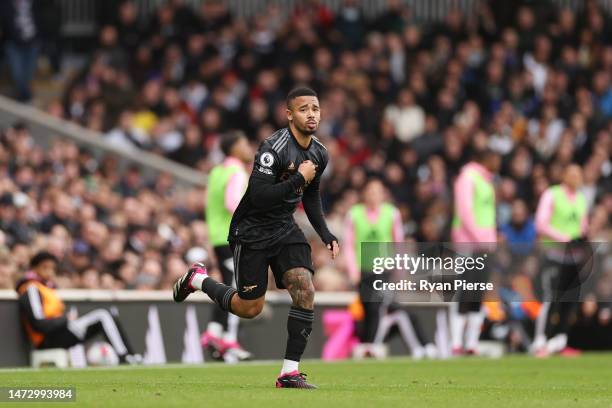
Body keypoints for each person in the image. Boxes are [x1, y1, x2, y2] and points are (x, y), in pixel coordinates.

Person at [173, 87, 339, 389]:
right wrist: (299, 178)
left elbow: (311, 196)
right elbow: (260, 197)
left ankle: (289, 372)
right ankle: (197, 280)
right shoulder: (272, 148)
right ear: (289, 114)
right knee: (250, 308)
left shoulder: (319, 152)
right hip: (251, 230)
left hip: (285, 227)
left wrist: (325, 233)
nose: (311, 114)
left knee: (304, 288)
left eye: (315, 108)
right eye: (303, 109)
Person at [344, 179, 426, 358]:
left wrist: (400, 270)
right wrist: (353, 270)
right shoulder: (354, 214)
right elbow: (349, 244)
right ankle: (368, 345)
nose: (373, 195)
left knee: (377, 306)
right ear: (364, 194)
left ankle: (371, 345)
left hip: (384, 269)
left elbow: (398, 242)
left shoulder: (392, 213)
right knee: (368, 308)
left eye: (377, 191)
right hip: (363, 270)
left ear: (383, 194)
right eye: (370, 191)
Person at [15, 251, 141, 364]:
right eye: (45, 267)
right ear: (34, 268)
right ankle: (125, 357)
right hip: (48, 339)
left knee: (104, 315)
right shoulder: (31, 288)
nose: (49, 272)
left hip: (57, 333)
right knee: (102, 315)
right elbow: (38, 323)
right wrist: (65, 319)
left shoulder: (46, 287)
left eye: (52, 268)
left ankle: (129, 355)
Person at [202, 131, 252, 362]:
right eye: (244, 143)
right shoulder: (236, 171)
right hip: (233, 237)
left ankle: (214, 332)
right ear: (234, 148)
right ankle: (229, 340)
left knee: (228, 284)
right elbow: (232, 203)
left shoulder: (216, 172)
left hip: (217, 237)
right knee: (237, 289)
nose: (248, 146)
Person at [532, 164, 590, 357]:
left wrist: (582, 238)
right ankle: (540, 341)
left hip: (574, 257)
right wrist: (563, 238)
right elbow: (541, 223)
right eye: (572, 173)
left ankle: (560, 342)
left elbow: (582, 225)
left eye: (578, 174)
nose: (576, 177)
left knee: (569, 302)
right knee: (551, 299)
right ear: (564, 175)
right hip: (554, 254)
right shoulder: (552, 194)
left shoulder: (581, 199)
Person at [450, 149, 500, 355]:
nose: (498, 161)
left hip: (484, 245)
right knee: (464, 291)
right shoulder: (467, 178)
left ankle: (471, 343)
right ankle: (455, 343)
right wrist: (482, 238)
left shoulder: (487, 181)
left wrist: (491, 239)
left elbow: (488, 215)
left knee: (477, 292)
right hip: (467, 244)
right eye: (495, 157)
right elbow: (465, 211)